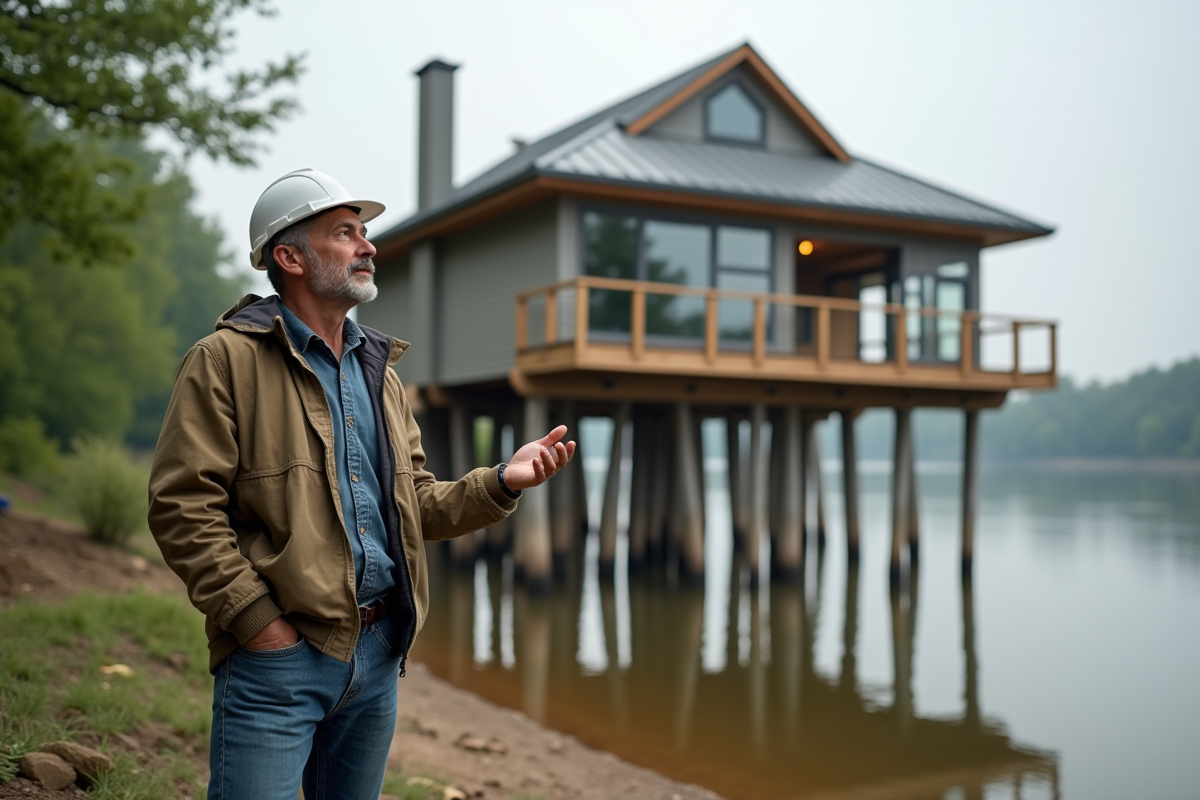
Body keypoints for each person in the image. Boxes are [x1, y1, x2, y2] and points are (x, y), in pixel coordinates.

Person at [147, 168, 574, 800]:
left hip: (377, 657)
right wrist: (260, 623)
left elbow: (414, 505)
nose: (368, 246)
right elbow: (182, 509)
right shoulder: (223, 361)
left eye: (365, 232)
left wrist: (499, 484)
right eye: (345, 233)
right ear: (288, 257)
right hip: (277, 662)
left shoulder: (382, 375)